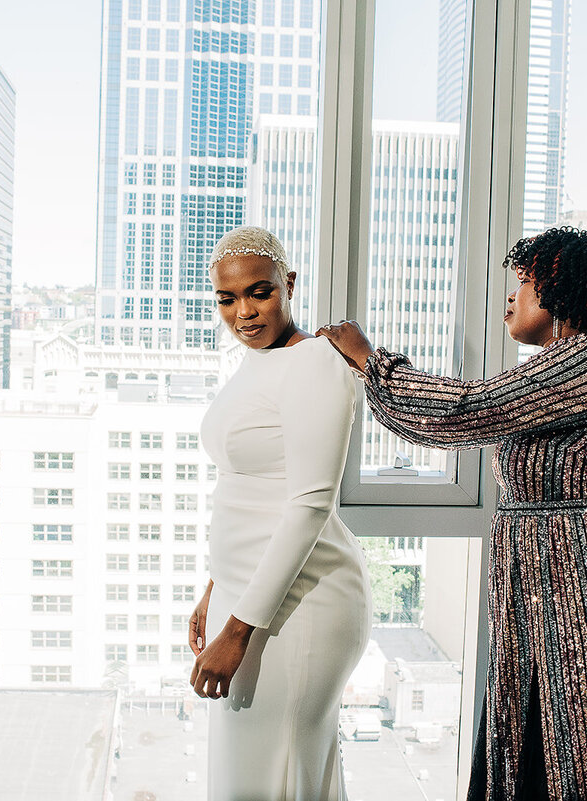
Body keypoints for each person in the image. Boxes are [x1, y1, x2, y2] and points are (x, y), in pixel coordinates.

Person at [318, 226, 587, 801]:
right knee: (552, 754)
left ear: (566, 295)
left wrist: (368, 360)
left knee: (585, 760)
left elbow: (467, 410)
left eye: (526, 284)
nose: (511, 297)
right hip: (558, 586)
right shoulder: (571, 367)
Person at [190, 225, 372, 800]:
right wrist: (215, 589)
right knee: (258, 775)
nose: (243, 312)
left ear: (289, 285)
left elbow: (310, 503)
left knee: (275, 777)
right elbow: (250, 491)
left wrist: (238, 629)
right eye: (227, 298)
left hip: (304, 605)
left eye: (260, 292)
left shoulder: (314, 362)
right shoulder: (254, 363)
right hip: (245, 594)